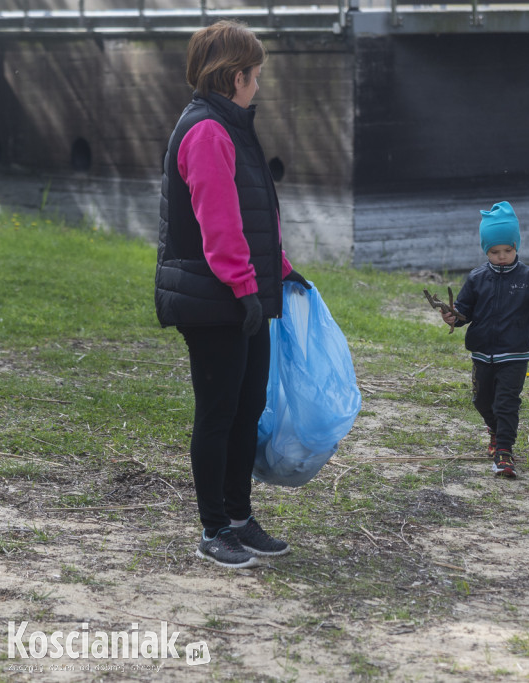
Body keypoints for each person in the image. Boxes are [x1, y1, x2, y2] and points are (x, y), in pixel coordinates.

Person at [154, 20, 310, 569]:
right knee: (218, 413)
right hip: (216, 299)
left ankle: (240, 518)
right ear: (235, 76)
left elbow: (253, 216)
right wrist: (246, 288)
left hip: (244, 296)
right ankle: (213, 528)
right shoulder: (206, 132)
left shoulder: (232, 128)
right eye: (257, 75)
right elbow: (219, 226)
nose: (260, 85)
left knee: (248, 409)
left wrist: (282, 271)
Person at [440, 201, 529, 479]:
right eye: (494, 251)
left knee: (506, 402)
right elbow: (464, 312)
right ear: (485, 250)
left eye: (508, 250)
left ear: (516, 247)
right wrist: (454, 317)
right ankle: (495, 430)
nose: (502, 256)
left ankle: (504, 452)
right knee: (482, 401)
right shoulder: (476, 278)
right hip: (482, 353)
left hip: (514, 355)